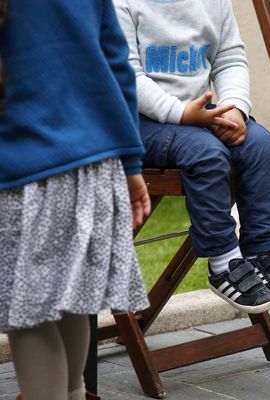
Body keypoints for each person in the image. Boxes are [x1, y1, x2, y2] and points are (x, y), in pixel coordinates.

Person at [0, 0, 151, 399]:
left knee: (29, 313)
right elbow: (117, 64)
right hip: (94, 165)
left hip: (21, 171)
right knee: (69, 300)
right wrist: (131, 162)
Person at [113, 0, 270, 313]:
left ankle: (261, 253)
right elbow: (126, 74)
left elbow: (229, 59)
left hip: (199, 115)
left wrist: (236, 108)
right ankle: (223, 261)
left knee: (261, 144)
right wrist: (182, 113)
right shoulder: (121, 4)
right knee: (206, 153)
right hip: (138, 121)